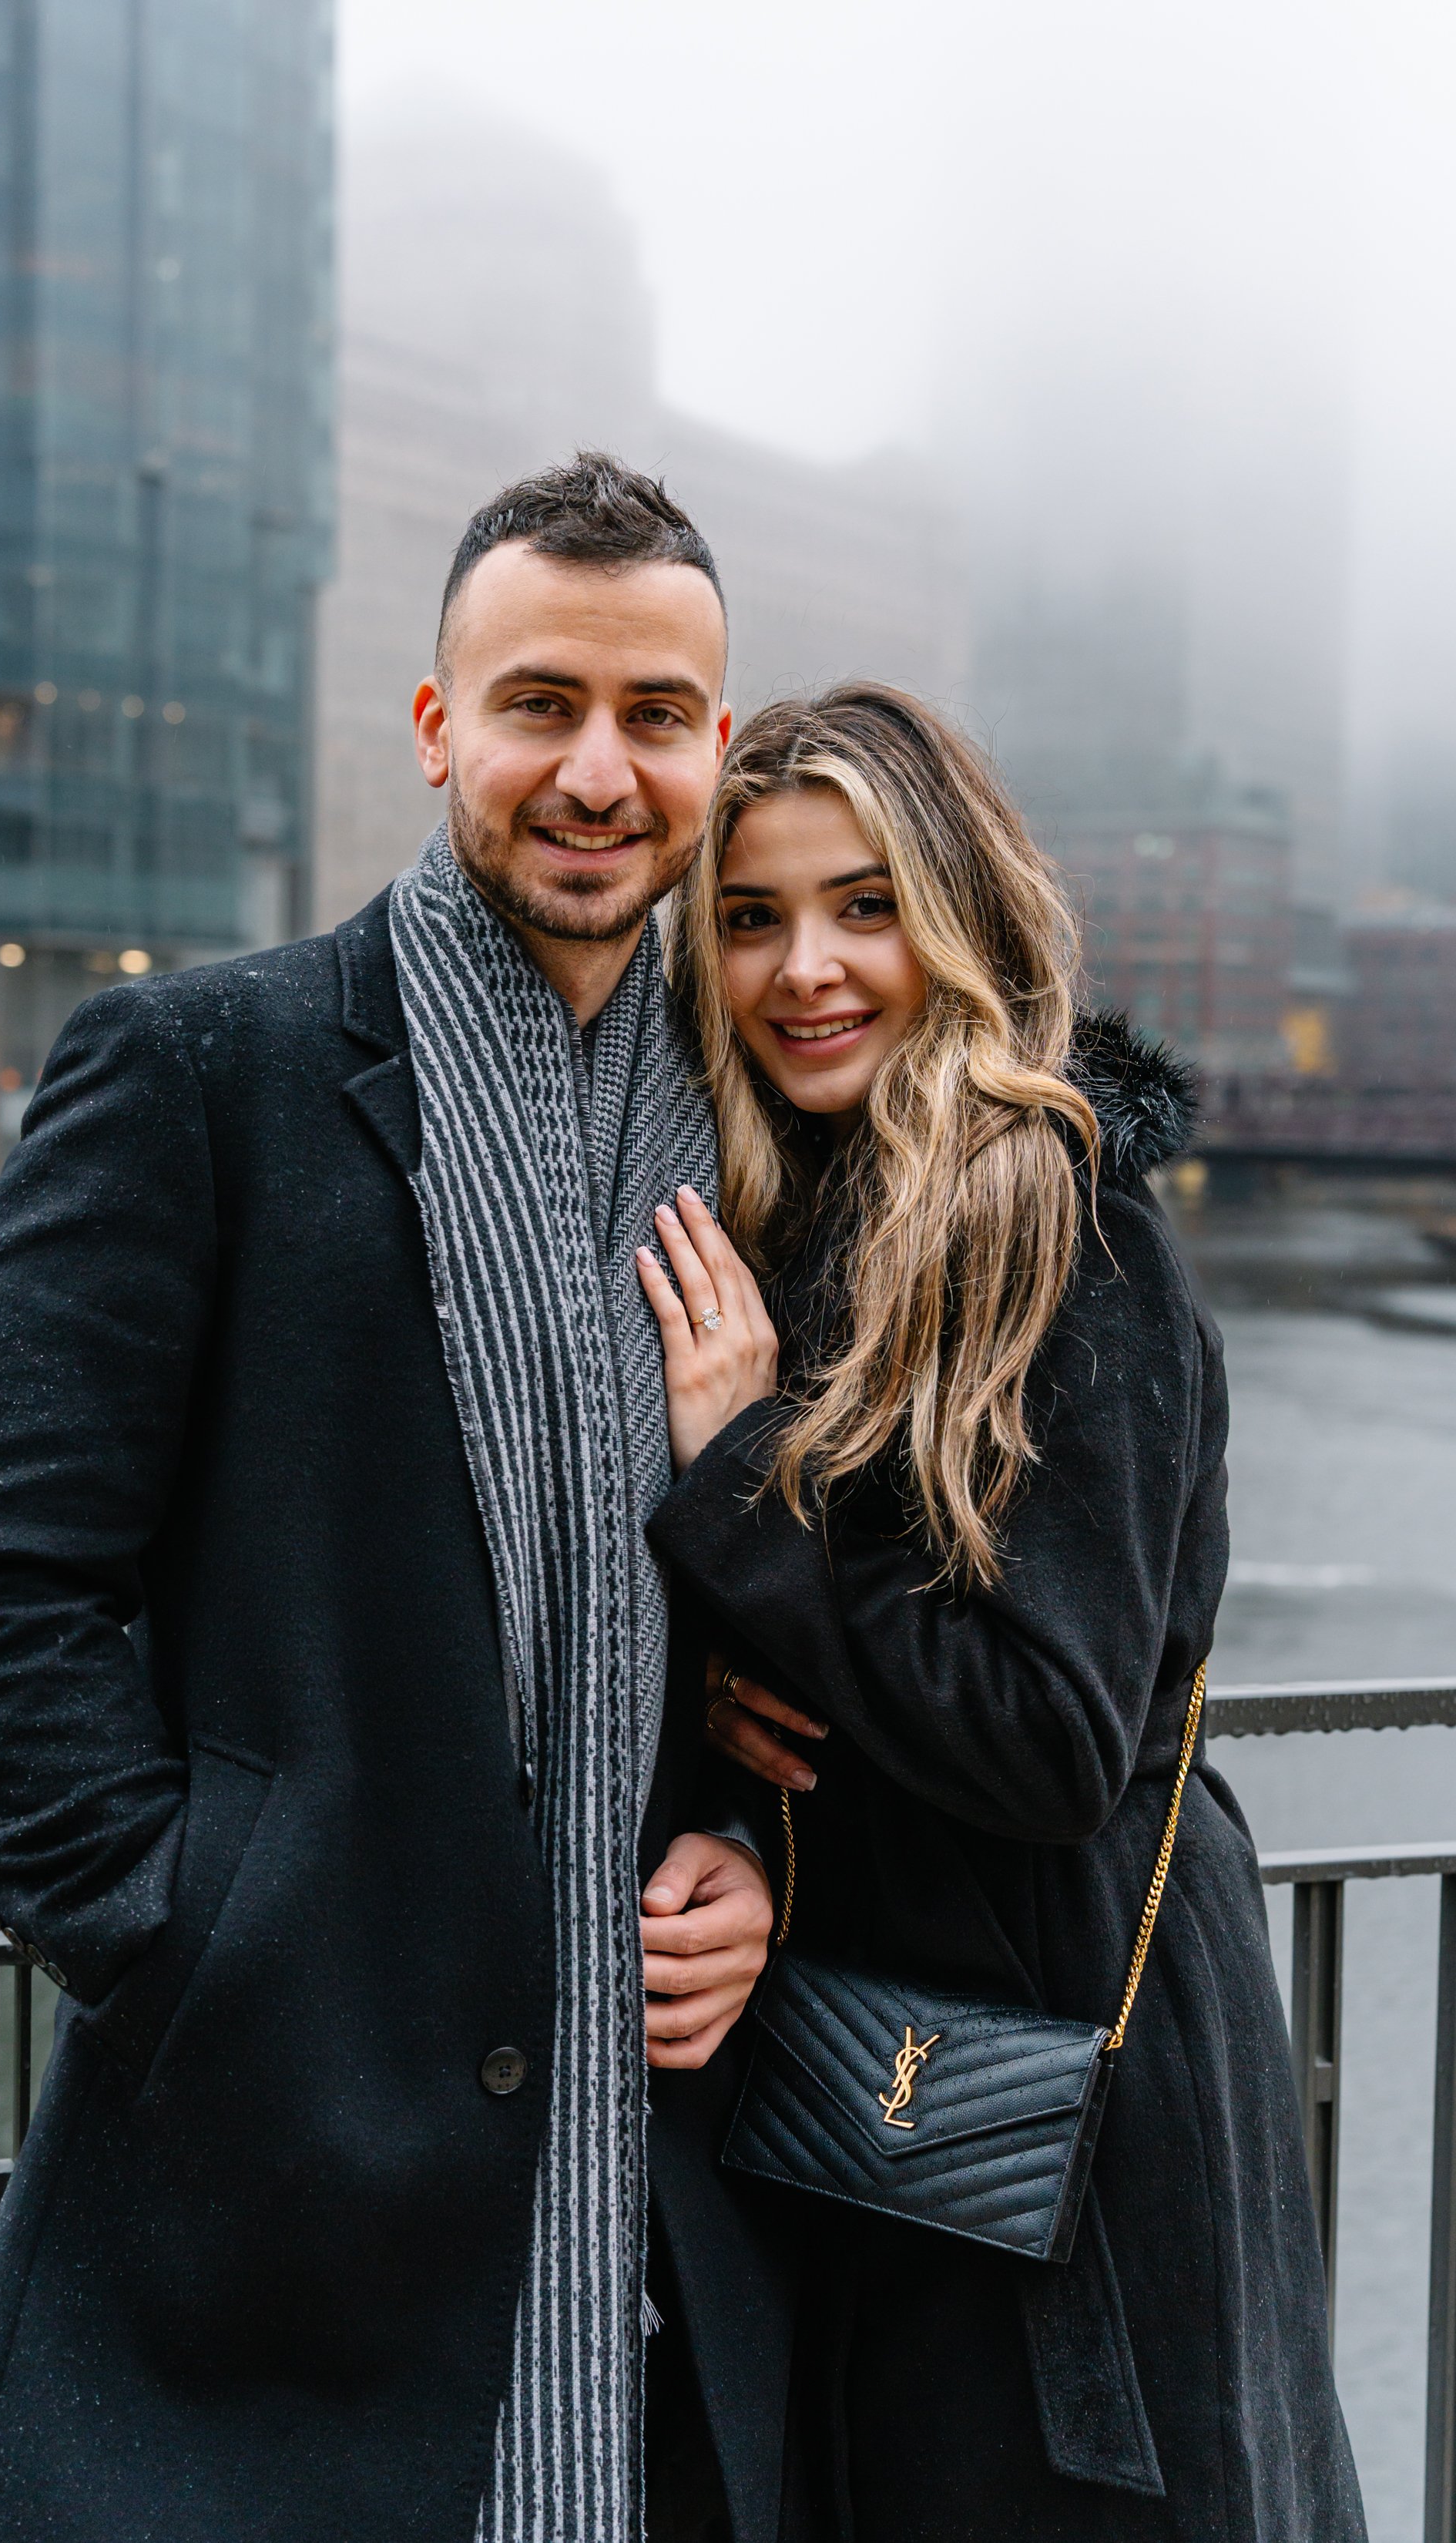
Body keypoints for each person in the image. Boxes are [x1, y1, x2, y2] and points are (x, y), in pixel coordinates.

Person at [0, 455, 792, 2543]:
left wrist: (760, 1852)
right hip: (268, 2212)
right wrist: (193, 1938)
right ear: (434, 723)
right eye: (538, 700)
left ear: (715, 749)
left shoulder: (759, 1137)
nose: (595, 767)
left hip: (666, 2261)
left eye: (656, 715)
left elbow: (791, 1620)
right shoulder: (197, 1069)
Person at [633, 684, 1367, 2541]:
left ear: (959, 916)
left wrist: (740, 1480)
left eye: (863, 904)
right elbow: (837, 1671)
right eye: (749, 915)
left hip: (1067, 2087)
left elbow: (1045, 1739)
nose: (805, 967)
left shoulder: (1065, 1233)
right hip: (879, 2058)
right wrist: (730, 1795)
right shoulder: (786, 1224)